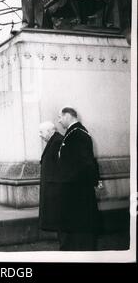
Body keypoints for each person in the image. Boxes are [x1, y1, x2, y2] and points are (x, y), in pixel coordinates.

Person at [57, 107, 101, 251]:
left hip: (77, 188)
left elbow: (86, 162)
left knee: (81, 220)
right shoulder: (74, 133)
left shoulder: (78, 134)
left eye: (60, 117)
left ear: (68, 116)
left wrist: (70, 181)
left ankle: (81, 248)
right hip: (75, 186)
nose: (59, 120)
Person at [38, 121, 63, 232]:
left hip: (54, 187)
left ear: (50, 131)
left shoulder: (58, 141)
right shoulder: (53, 141)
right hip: (50, 184)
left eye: (41, 132)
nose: (39, 135)